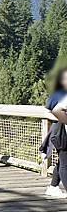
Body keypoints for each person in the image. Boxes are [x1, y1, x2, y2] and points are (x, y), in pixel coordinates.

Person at [43, 69, 67, 199]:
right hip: (61, 130)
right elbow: (54, 109)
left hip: (58, 128)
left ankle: (53, 187)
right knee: (64, 162)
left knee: (63, 161)